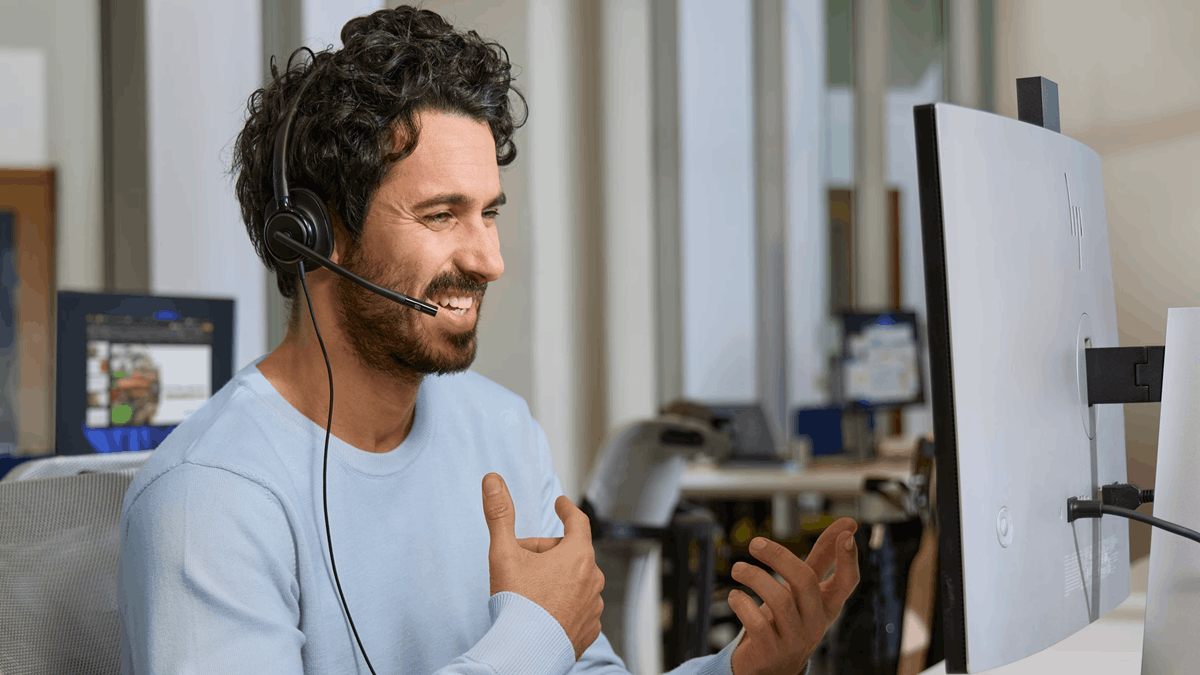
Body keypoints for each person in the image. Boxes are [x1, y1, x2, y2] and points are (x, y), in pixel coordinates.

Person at [116, 6, 860, 675]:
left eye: (488, 213)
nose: (489, 260)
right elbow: (542, 648)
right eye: (442, 215)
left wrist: (743, 671)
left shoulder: (499, 427)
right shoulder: (207, 501)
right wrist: (533, 636)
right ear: (314, 238)